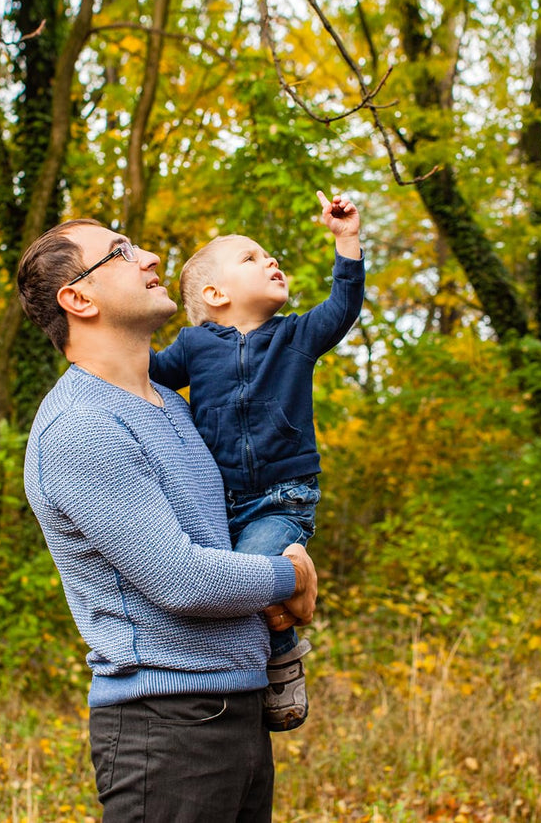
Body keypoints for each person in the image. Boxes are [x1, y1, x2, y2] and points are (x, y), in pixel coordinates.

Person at [18, 219, 318, 823]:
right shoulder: (81, 426)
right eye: (121, 252)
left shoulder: (172, 407)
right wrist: (292, 576)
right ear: (79, 299)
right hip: (166, 726)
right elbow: (184, 579)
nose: (151, 256)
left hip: (237, 708)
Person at [149, 190, 364, 731]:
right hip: (216, 501)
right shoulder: (193, 346)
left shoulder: (294, 335)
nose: (271, 260)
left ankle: (283, 656)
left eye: (269, 255)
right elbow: (145, 372)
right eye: (251, 257)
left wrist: (346, 240)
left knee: (250, 573)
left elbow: (343, 307)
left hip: (281, 499)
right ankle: (227, 677)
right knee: (213, 590)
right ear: (215, 294)